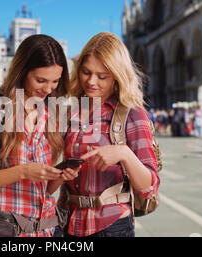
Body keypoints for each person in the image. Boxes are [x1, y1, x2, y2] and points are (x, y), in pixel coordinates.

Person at [0, 34, 78, 237]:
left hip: (47, 230)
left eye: (55, 81)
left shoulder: (51, 113)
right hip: (3, 229)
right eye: (41, 80)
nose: (48, 89)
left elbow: (44, 191)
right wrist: (22, 172)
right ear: (22, 71)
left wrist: (60, 176)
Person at [53, 32, 160, 237]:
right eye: (86, 72)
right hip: (67, 222)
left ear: (117, 77)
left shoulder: (132, 114)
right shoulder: (71, 111)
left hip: (111, 227)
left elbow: (150, 187)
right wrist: (60, 173)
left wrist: (124, 154)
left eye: (102, 76)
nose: (91, 81)